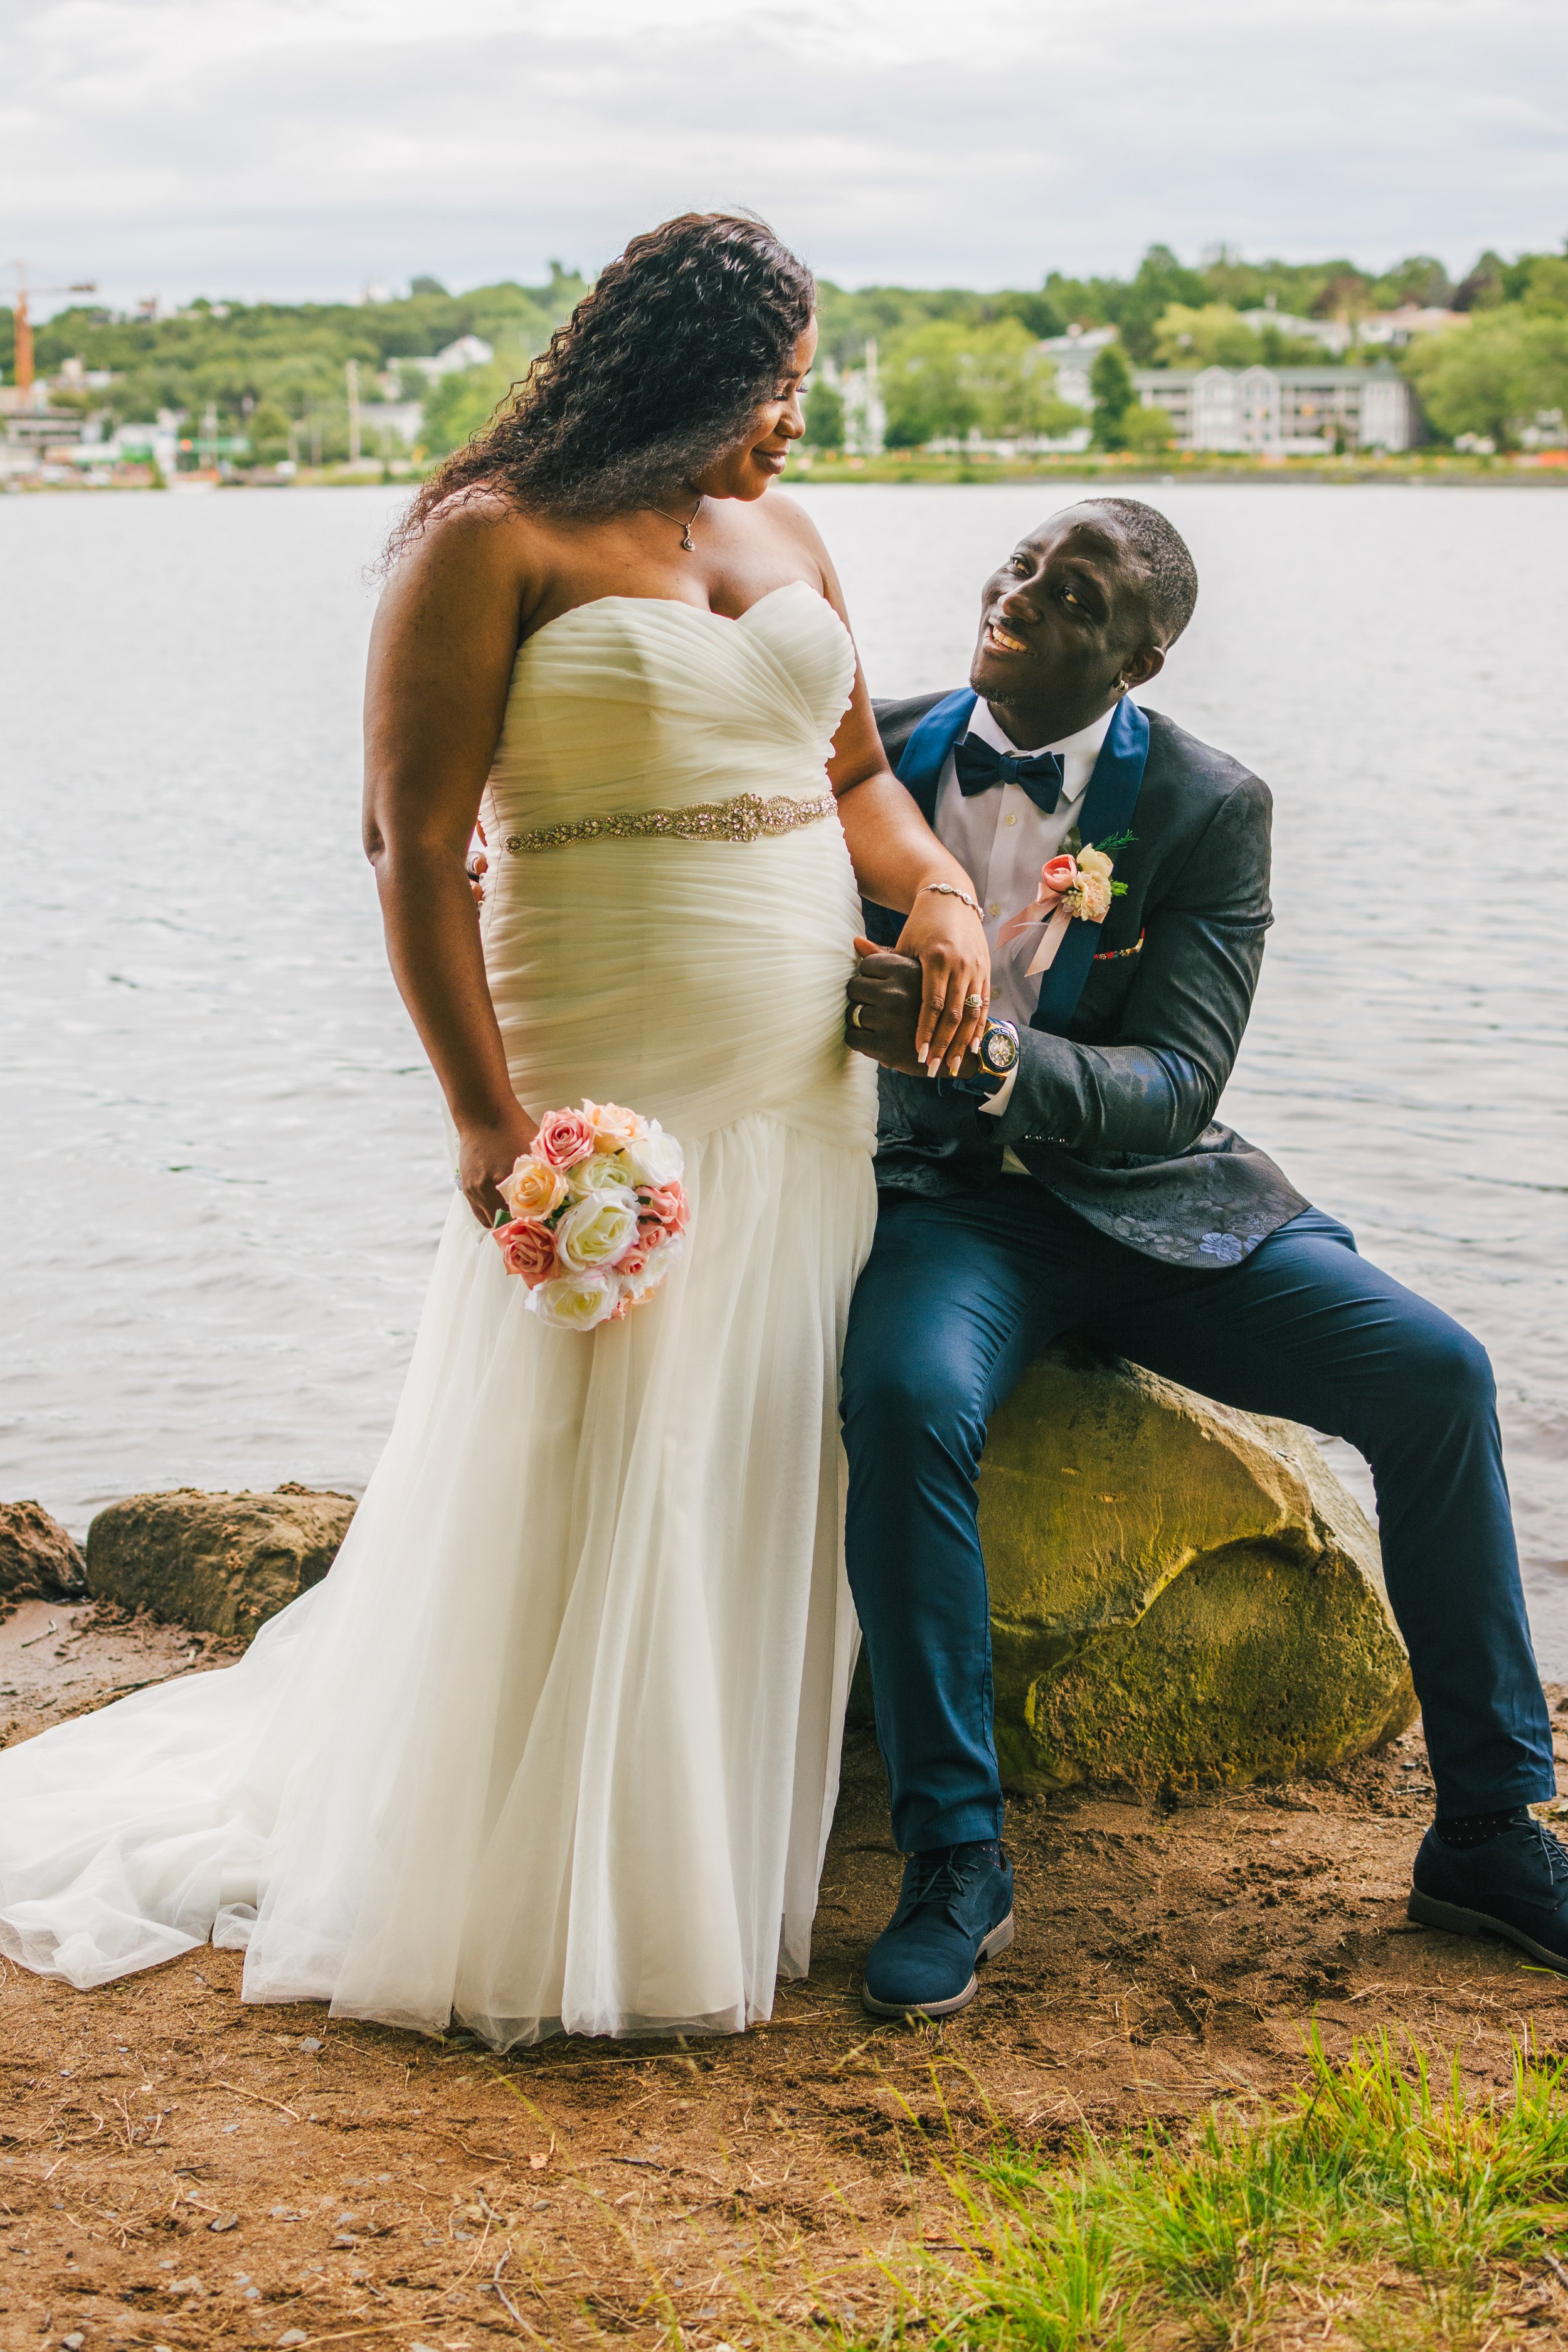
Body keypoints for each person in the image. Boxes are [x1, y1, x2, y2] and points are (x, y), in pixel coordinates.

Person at [0, 213, 992, 2046]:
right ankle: (545, 1887)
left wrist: (935, 899)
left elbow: (851, 774)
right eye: (771, 388)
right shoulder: (491, 540)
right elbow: (408, 835)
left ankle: (699, 1852)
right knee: (598, 1442)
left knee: (751, 1447)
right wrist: (484, 1111)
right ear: (683, 375)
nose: (792, 422)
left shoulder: (787, 538)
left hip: (801, 1087)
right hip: (608, 1067)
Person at [842, 497, 1562, 2020]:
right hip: (946, 1213)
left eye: (1080, 592)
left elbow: (1177, 1081)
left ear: (1140, 655)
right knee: (907, 1402)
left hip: (1158, 1207)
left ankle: (1490, 1832)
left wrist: (981, 1054)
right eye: (1028, 561)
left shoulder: (1207, 805)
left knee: (1436, 1373)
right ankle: (954, 1859)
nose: (1028, 592)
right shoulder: (865, 751)